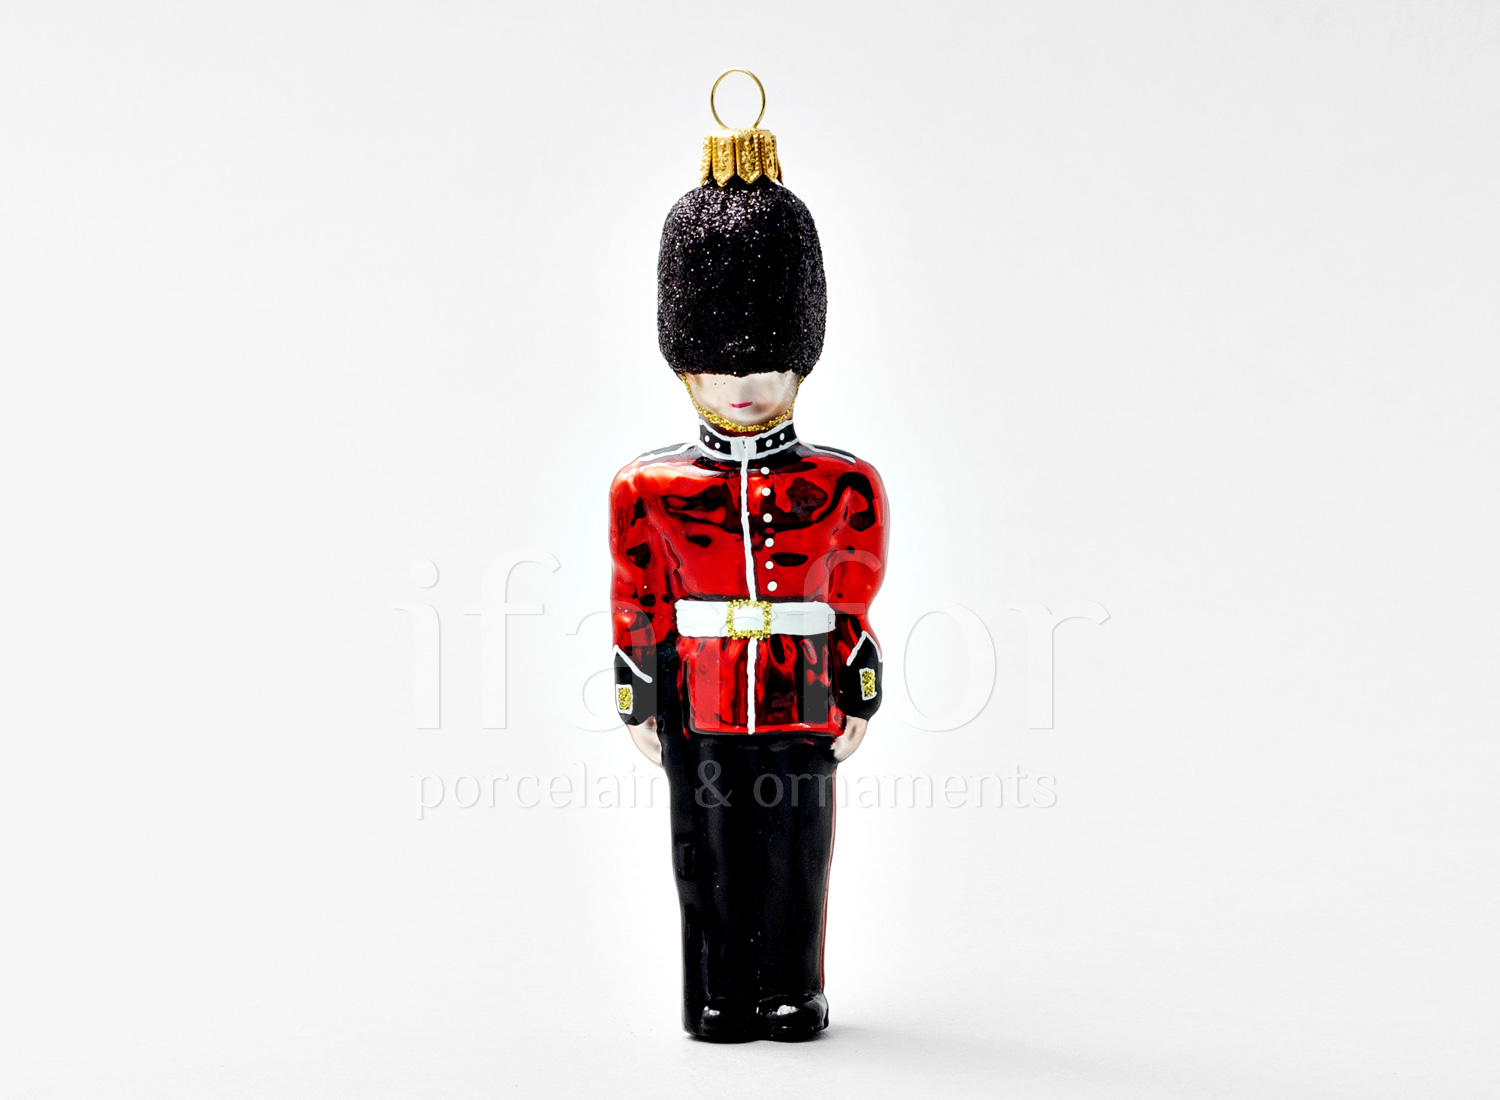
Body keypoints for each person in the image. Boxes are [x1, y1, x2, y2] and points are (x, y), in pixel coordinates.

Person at [609, 164, 889, 1041]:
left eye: (765, 363)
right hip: (700, 696)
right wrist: (639, 698)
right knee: (709, 857)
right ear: (686, 368)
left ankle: (792, 990)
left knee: (799, 856)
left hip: (803, 693)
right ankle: (720, 994)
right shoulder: (648, 488)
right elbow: (638, 599)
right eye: (721, 366)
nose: (743, 386)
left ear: (797, 362)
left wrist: (859, 692)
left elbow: (852, 600)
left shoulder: (843, 484)